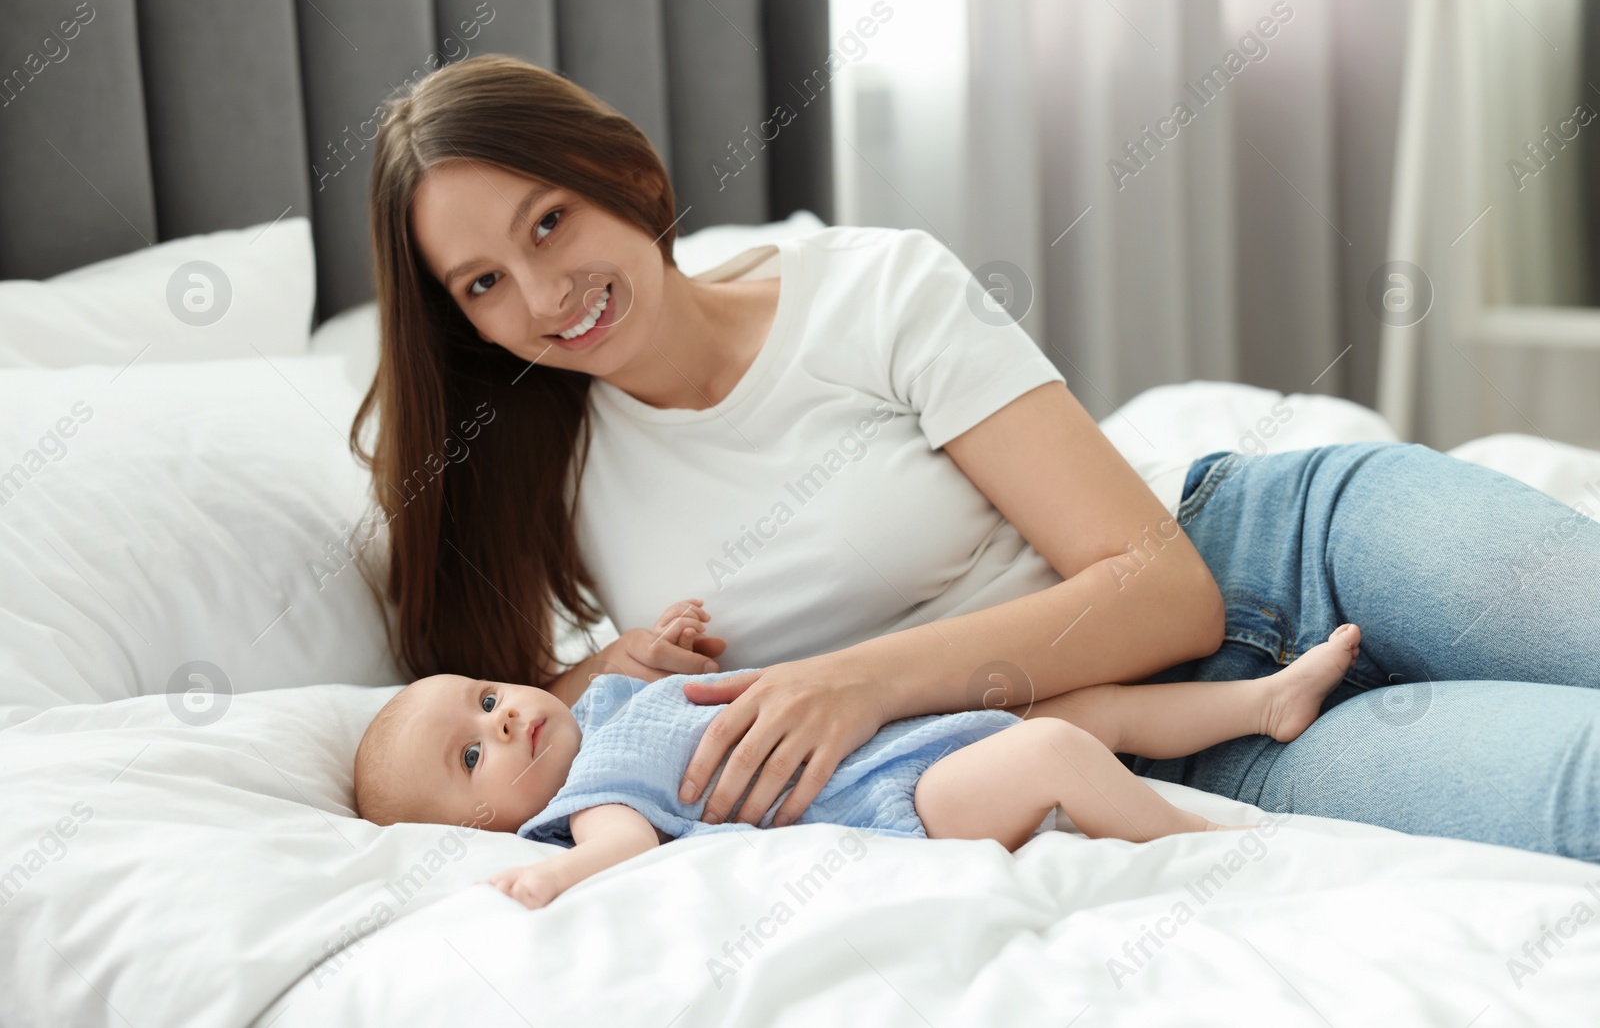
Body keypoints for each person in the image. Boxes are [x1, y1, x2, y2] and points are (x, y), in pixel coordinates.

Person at [352, 53, 1600, 864]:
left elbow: (1167, 592)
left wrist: (857, 682)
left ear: (621, 173)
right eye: (483, 281)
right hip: (1169, 740)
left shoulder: (869, 287)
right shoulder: (535, 467)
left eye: (550, 220)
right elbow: (490, 721)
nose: (546, 290)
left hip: (1286, 545)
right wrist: (596, 669)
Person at [353, 603, 1362, 909]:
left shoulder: (607, 704)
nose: (504, 721)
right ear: (481, 822)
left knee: (1087, 707)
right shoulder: (588, 794)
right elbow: (614, 844)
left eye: (486, 697)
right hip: (896, 795)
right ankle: (1198, 846)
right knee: (1053, 747)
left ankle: (1262, 698)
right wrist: (555, 871)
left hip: (895, 734)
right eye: (473, 755)